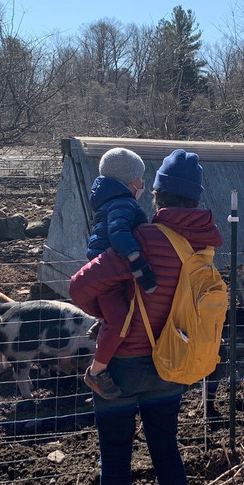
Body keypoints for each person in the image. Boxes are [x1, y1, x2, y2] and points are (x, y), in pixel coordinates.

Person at [69, 149, 222, 485]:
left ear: (157, 194)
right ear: (197, 200)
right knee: (167, 453)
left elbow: (80, 284)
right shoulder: (206, 246)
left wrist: (103, 307)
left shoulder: (145, 237)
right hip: (172, 364)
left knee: (115, 463)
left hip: (120, 368)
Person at [83, 147, 158, 400]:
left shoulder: (111, 200)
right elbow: (118, 233)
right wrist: (137, 261)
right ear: (128, 180)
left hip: (105, 269)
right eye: (140, 178)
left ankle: (104, 324)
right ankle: (97, 372)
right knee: (120, 319)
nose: (143, 184)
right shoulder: (122, 203)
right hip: (108, 273)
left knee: (118, 312)